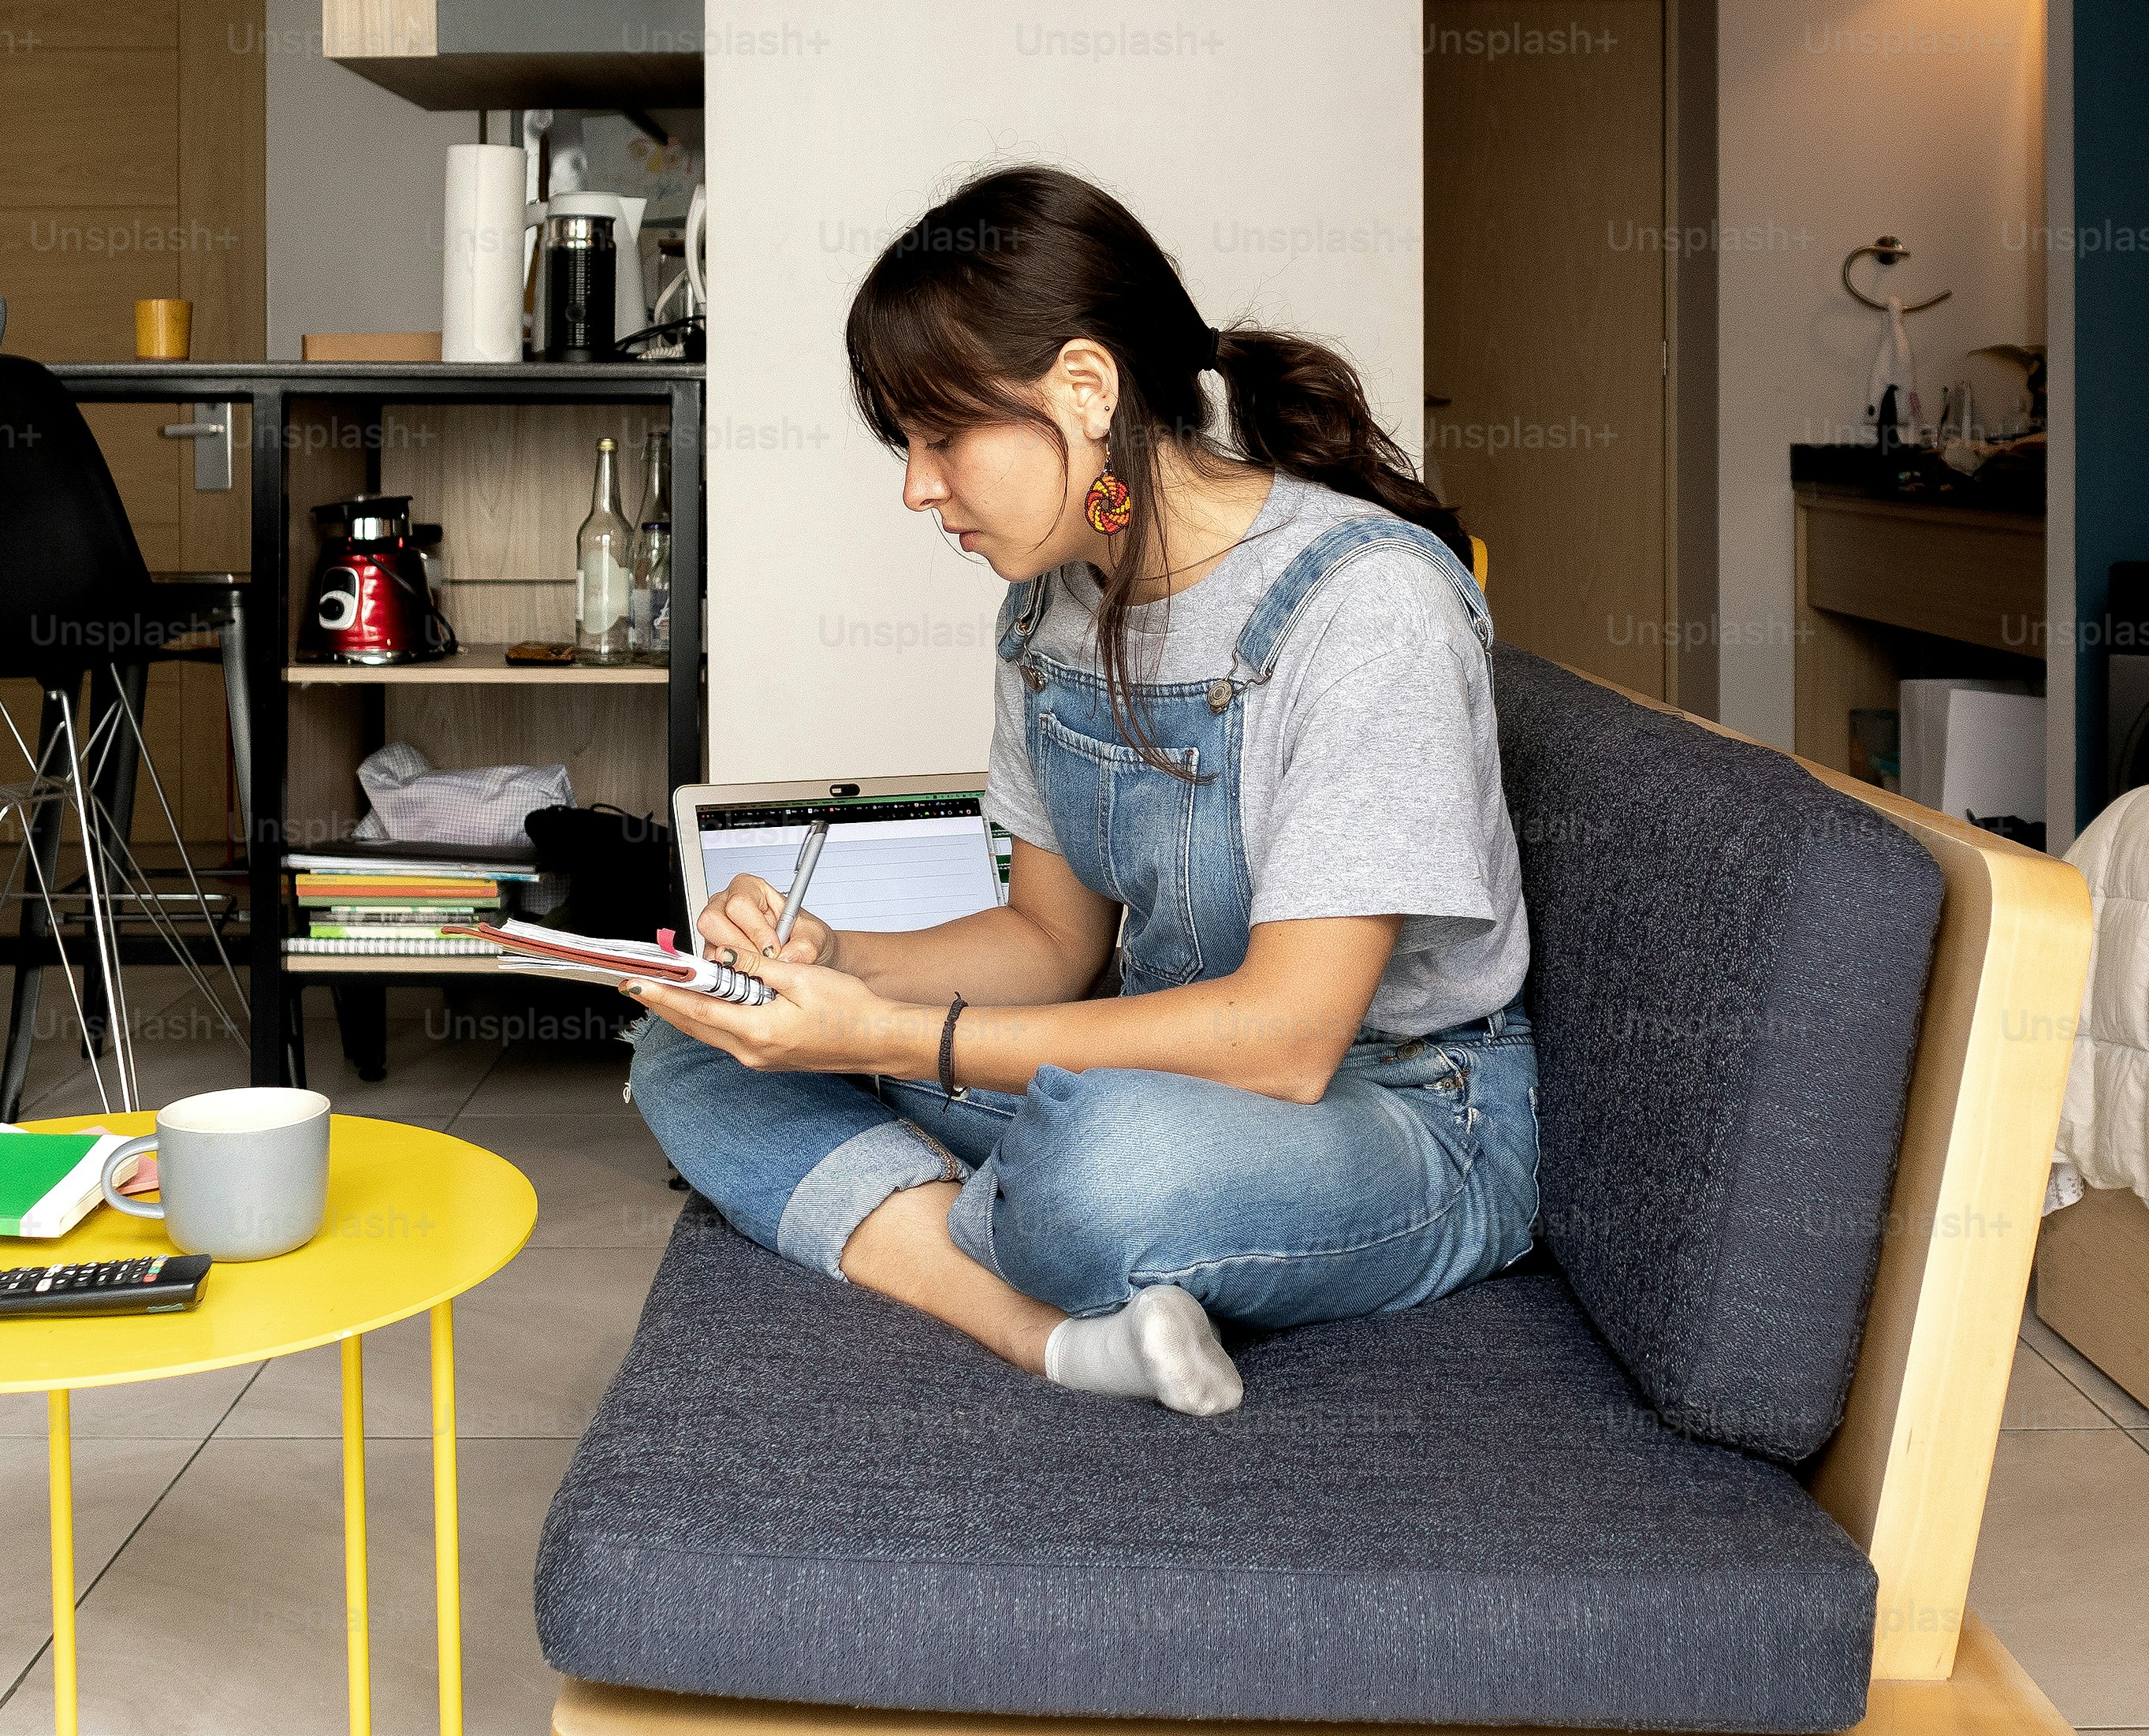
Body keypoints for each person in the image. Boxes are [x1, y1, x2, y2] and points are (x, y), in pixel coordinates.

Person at [619, 166, 1537, 1417]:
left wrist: (878, 1037)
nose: (917, 487)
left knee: (1097, 1172)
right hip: (1161, 1070)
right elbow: (1051, 943)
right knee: (695, 1041)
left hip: (1399, 1116)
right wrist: (832, 960)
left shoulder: (1369, 606)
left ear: (1087, 388)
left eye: (943, 436)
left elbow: (1286, 1039)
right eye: (906, 443)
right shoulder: (1048, 607)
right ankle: (1057, 1335)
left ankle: (971, 1248)